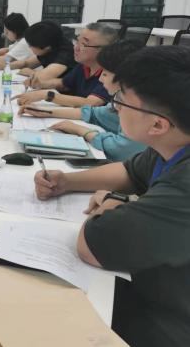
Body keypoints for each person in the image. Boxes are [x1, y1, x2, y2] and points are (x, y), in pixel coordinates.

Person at [33, 46, 190, 347]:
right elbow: (130, 171)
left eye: (121, 100)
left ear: (158, 125)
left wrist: (113, 201)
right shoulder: (173, 145)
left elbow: (92, 245)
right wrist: (66, 182)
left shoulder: (185, 186)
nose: (114, 107)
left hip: (170, 319)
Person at [18, 40, 146, 161]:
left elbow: (118, 149)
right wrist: (45, 112)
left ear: (125, 78)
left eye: (105, 74)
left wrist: (80, 130)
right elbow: (93, 113)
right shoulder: (121, 98)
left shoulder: (139, 108)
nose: (101, 79)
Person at [15, 22, 118, 108]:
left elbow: (91, 103)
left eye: (84, 44)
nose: (76, 48)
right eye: (77, 41)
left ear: (104, 50)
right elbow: (64, 84)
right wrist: (41, 84)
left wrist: (48, 95)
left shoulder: (111, 73)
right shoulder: (83, 66)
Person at [9, 21, 76, 84]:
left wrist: (31, 72)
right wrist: (6, 66)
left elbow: (41, 78)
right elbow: (26, 63)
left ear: (46, 47)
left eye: (30, 45)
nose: (29, 47)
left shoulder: (64, 55)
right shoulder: (49, 43)